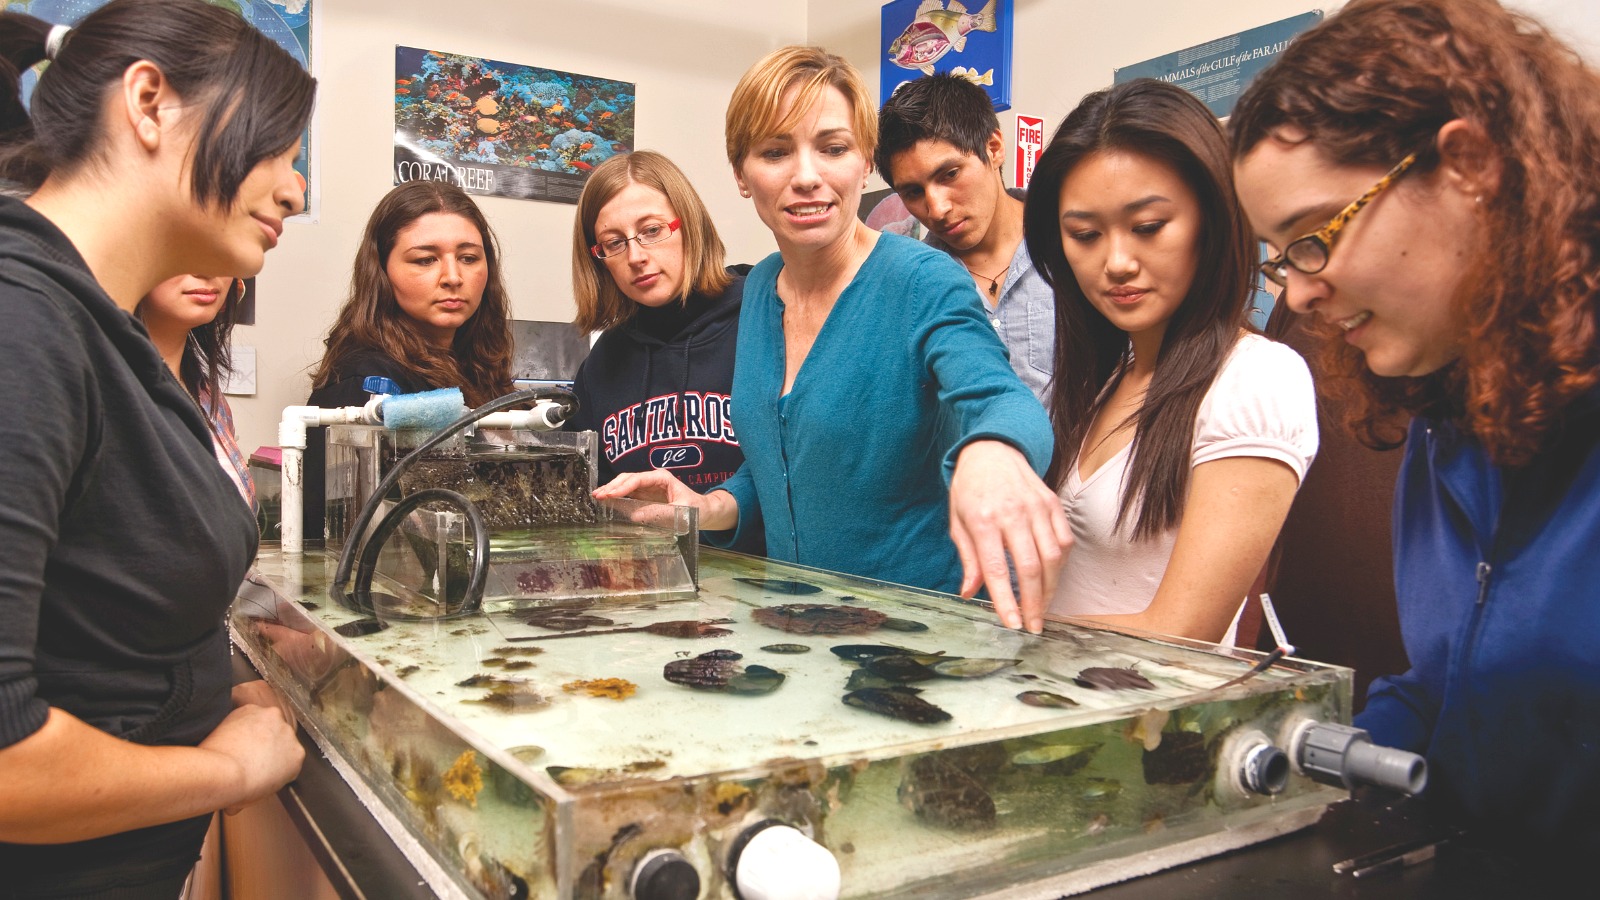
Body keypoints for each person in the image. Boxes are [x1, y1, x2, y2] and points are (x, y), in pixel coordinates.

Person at [1230, 0, 1600, 857]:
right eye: (1278, 258)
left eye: (1312, 238)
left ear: (1470, 166)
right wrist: (1317, 756)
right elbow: (1449, 679)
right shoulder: (1448, 410)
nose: (1298, 293)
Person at [0, 1, 315, 896]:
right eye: (280, 147)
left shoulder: (106, 341)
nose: (294, 188)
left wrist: (211, 697)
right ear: (149, 102)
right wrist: (229, 770)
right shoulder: (23, 320)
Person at [597, 46, 1068, 632]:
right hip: (805, 627)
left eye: (833, 148)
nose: (806, 177)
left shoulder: (922, 277)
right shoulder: (763, 285)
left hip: (924, 634)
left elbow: (998, 397)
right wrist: (706, 507)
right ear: (742, 175)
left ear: (865, 161)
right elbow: (782, 462)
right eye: (775, 152)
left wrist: (994, 452)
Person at [1022, 79, 1317, 644]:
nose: (1117, 262)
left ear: (1212, 218)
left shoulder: (1256, 379)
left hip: (1155, 720)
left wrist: (994, 642)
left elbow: (1182, 633)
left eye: (1148, 227)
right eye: (1084, 234)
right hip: (1064, 704)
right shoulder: (1108, 379)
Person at [302, 180, 514, 539]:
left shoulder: (480, 370)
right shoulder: (364, 380)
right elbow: (339, 532)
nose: (452, 277)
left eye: (468, 258)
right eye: (425, 260)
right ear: (382, 272)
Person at [565, 150, 750, 494]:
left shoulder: (762, 315)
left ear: (689, 225)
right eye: (614, 243)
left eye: (652, 230)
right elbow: (586, 499)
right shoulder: (603, 365)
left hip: (757, 549)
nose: (636, 256)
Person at [876, 71, 1054, 404]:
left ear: (994, 148)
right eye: (913, 192)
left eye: (950, 174)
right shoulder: (911, 286)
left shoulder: (1072, 243)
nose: (937, 209)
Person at [137, 275, 256, 507]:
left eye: (222, 252)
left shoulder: (209, 397)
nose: (209, 268)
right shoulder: (102, 385)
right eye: (187, 246)